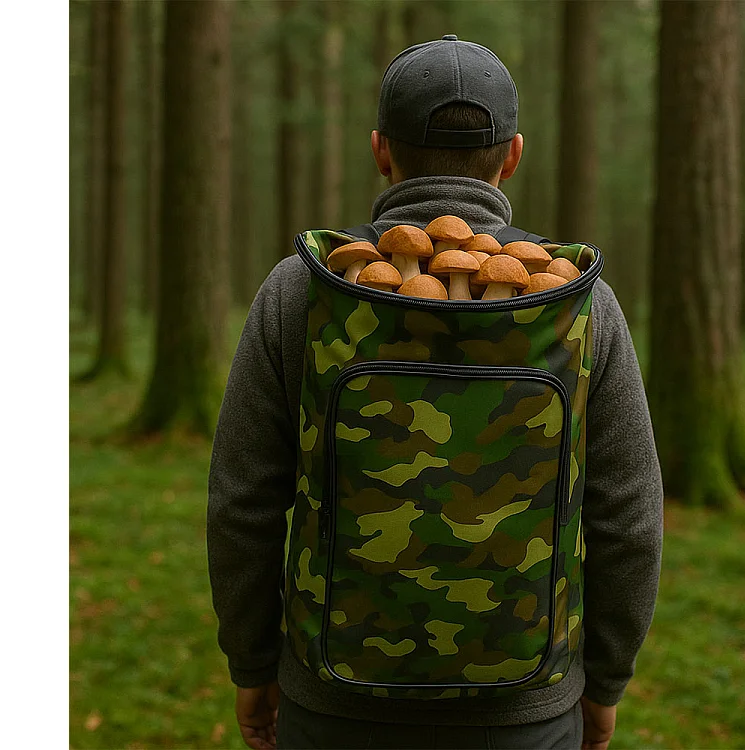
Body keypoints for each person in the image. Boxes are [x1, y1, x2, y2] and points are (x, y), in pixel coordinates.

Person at [208, 35, 663, 750]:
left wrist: (252, 662)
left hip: (333, 701)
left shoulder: (299, 292)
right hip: (529, 707)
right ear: (512, 155)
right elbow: (628, 517)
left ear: (380, 149)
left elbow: (243, 503)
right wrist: (604, 683)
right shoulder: (582, 306)